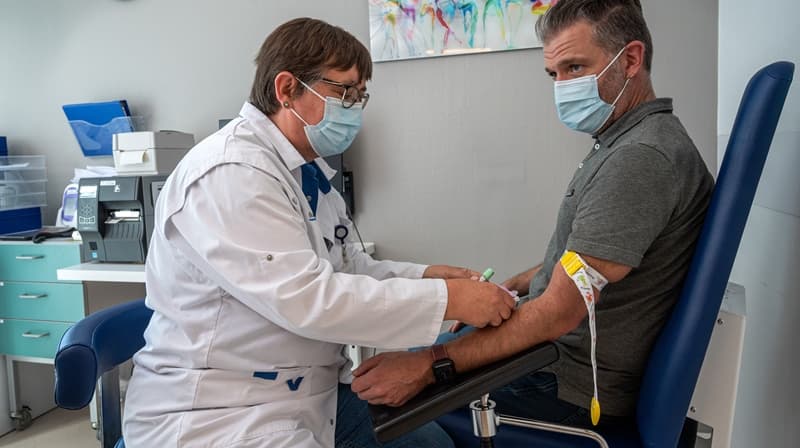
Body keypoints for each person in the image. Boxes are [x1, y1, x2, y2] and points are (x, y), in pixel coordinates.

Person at [121, 17, 516, 448]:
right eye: (344, 92)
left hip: (305, 392)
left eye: (360, 95)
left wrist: (427, 277)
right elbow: (309, 300)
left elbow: (350, 266)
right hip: (220, 412)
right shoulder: (230, 173)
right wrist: (450, 300)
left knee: (431, 445)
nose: (355, 108)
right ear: (287, 89)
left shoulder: (305, 174)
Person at [351, 0, 715, 431]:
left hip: (566, 382)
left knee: (362, 417)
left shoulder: (638, 159)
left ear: (631, 59)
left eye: (575, 68)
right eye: (554, 74)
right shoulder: (631, 140)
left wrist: (430, 365)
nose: (562, 85)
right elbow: (600, 258)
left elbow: (558, 313)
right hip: (560, 359)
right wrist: (516, 285)